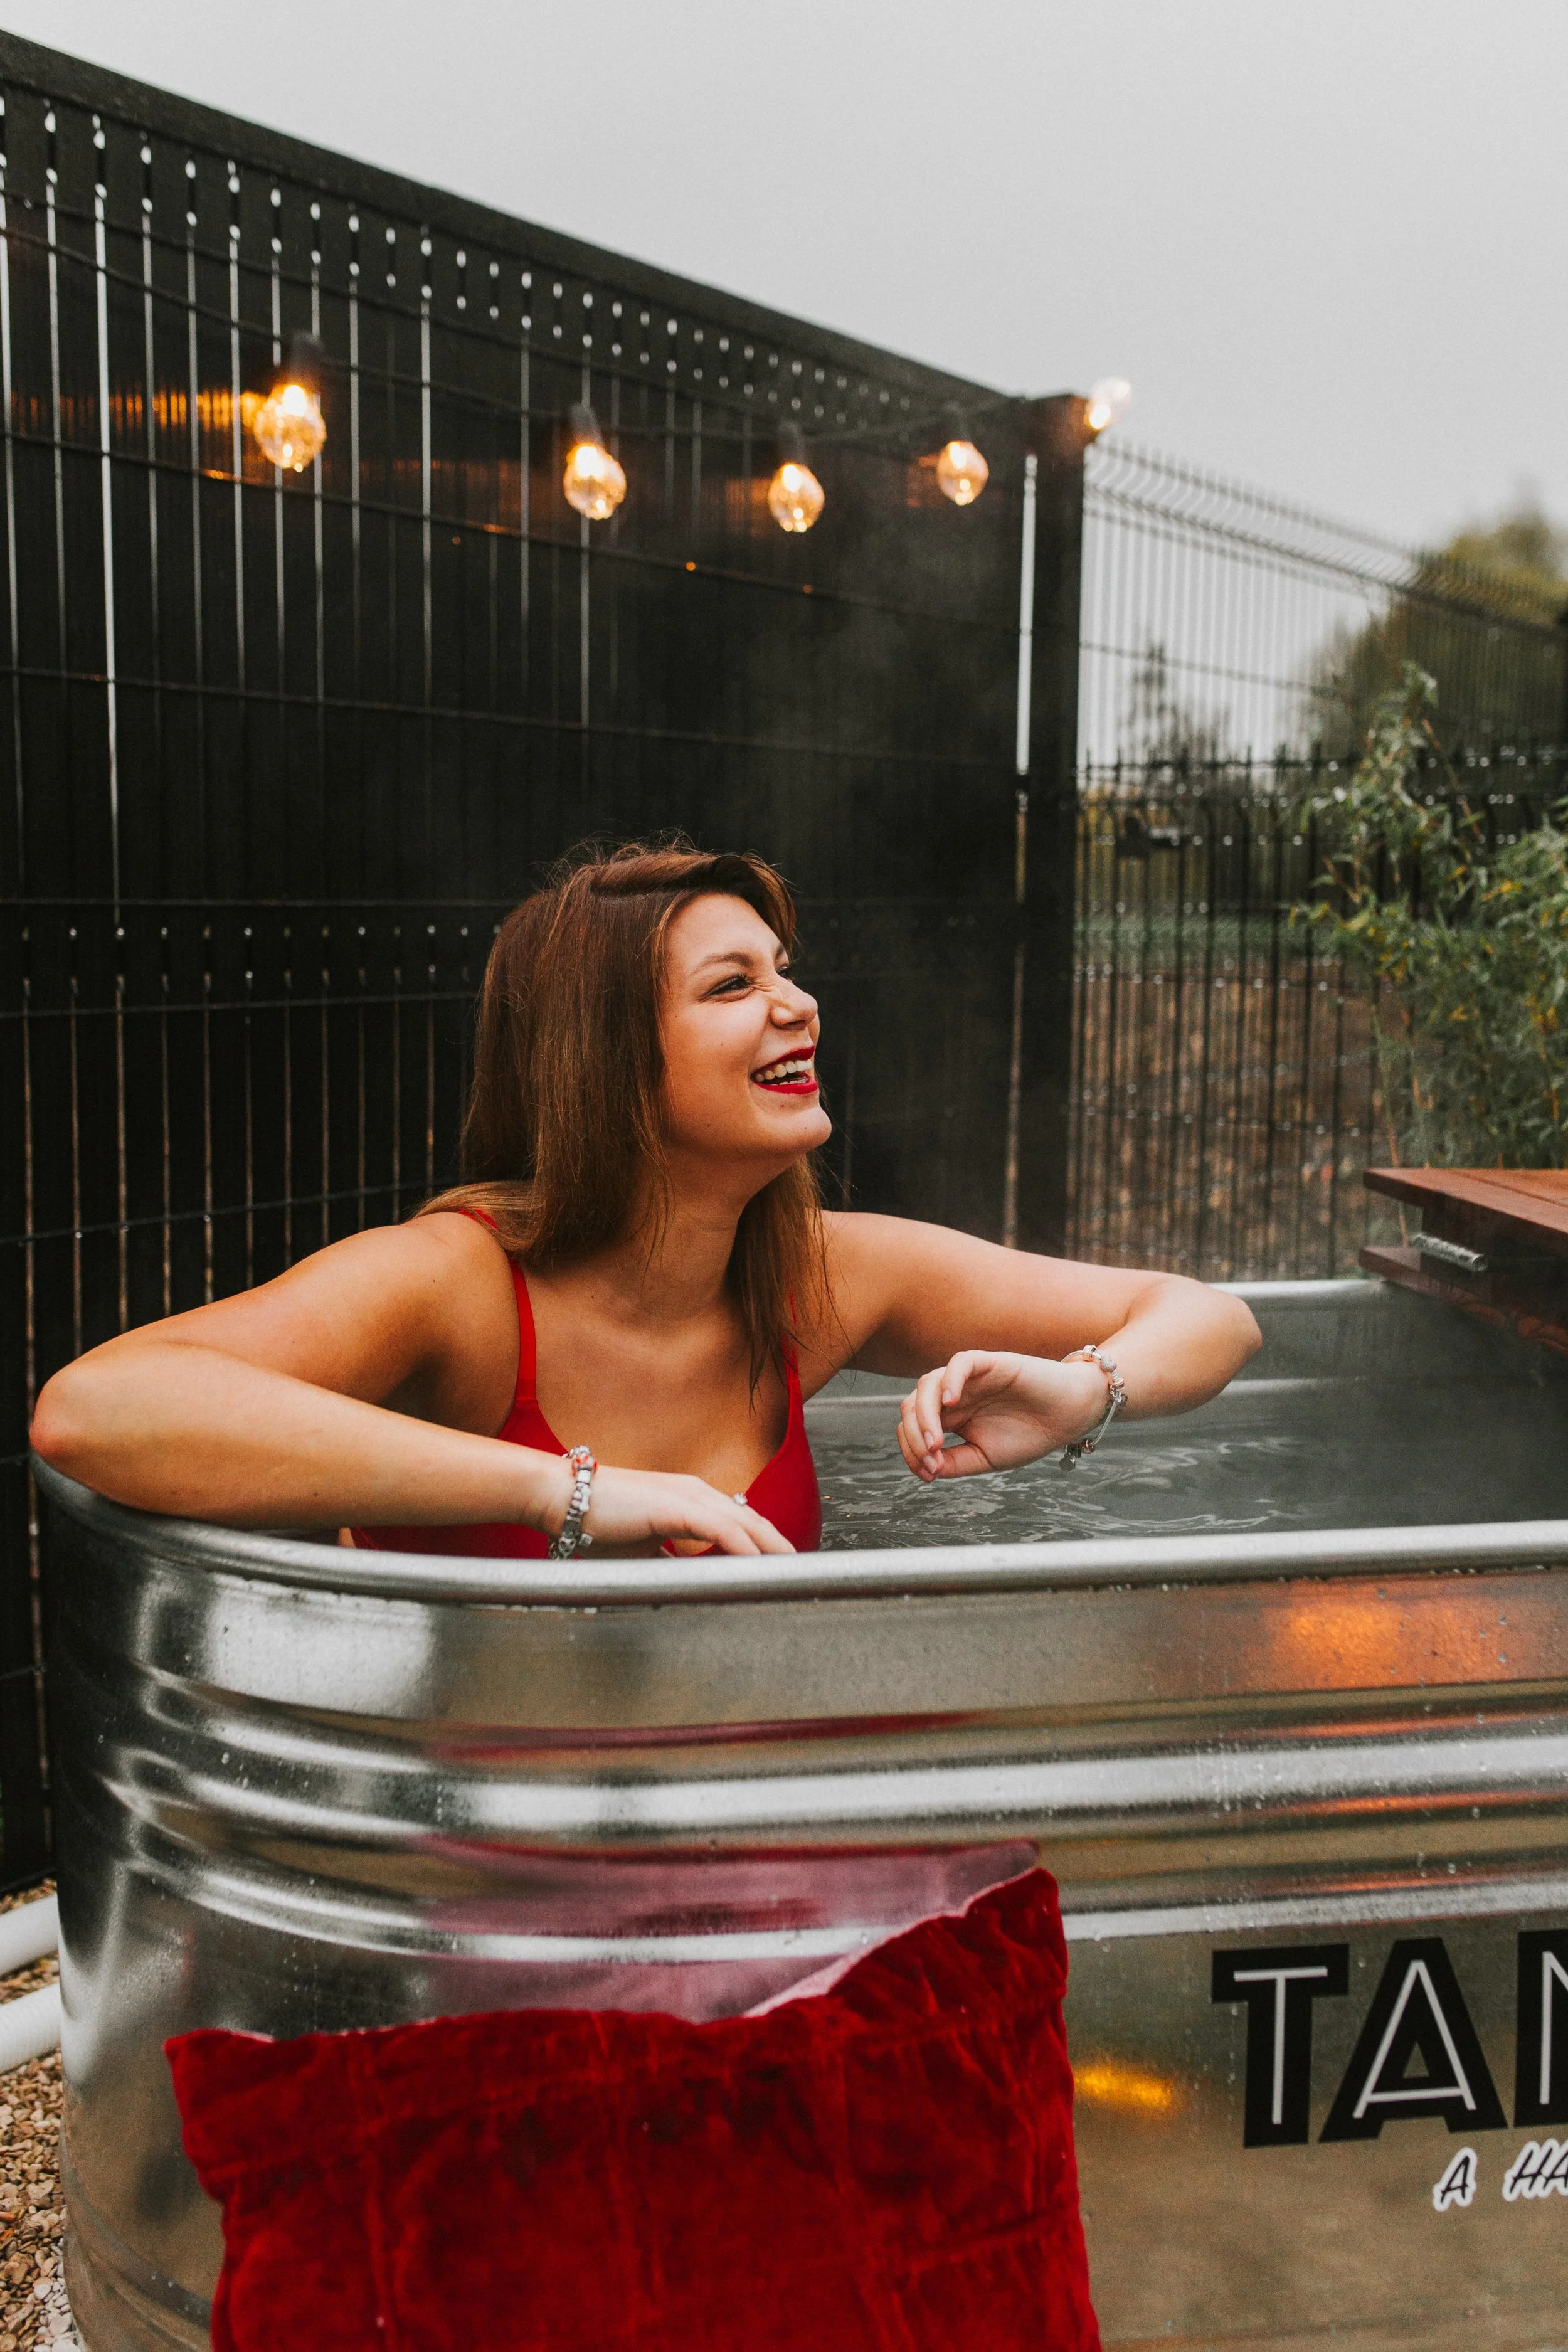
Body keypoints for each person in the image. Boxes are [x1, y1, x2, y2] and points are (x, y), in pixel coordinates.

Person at [30, 844, 1259, 1556]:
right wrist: (568, 1490)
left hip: (727, 1838)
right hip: (484, 1873)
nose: (798, 1006)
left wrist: (1081, 1392)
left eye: (786, 972)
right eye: (733, 985)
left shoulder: (813, 1278)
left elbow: (1208, 1316)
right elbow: (98, 1410)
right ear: (604, 1059)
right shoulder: (458, 1288)